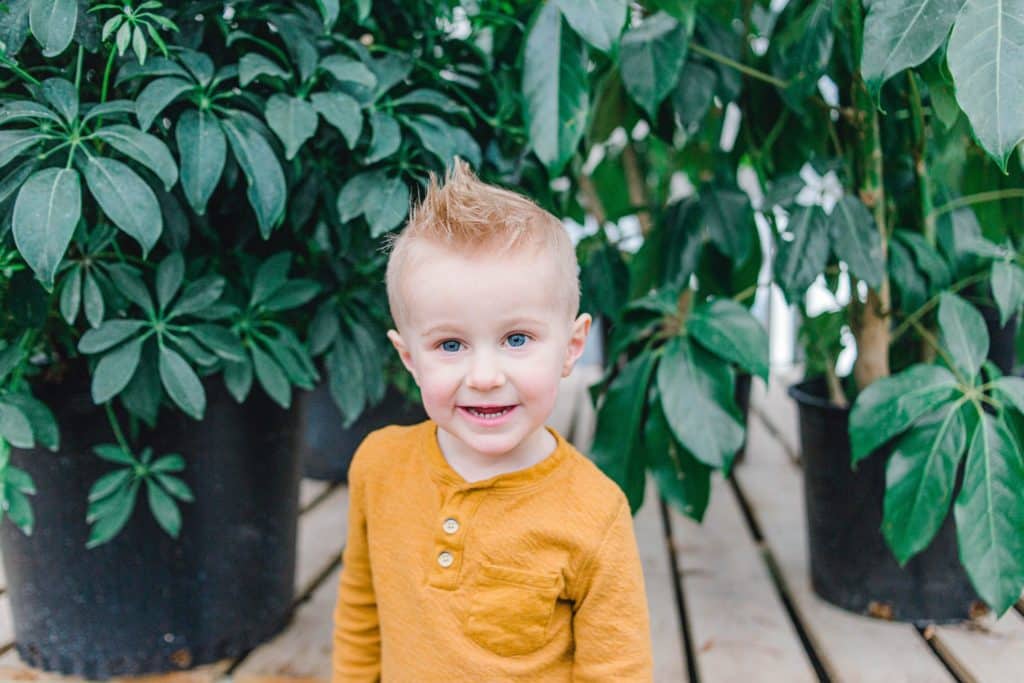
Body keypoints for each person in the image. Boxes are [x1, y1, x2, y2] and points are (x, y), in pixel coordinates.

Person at [331, 159, 653, 681]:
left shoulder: (594, 514)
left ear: (572, 348)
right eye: (450, 344)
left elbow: (616, 669)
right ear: (410, 357)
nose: (484, 376)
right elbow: (361, 612)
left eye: (517, 339)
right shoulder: (379, 465)